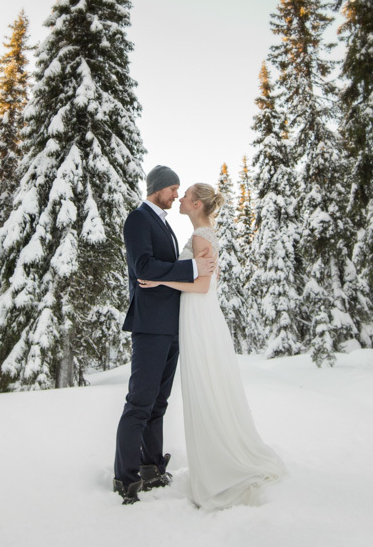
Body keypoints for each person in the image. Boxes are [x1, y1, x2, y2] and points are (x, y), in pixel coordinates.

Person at [137, 182, 286, 510]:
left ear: (198, 204)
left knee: (206, 386)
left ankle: (222, 466)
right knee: (206, 386)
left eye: (186, 195)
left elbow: (202, 286)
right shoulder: (200, 233)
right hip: (194, 316)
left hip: (200, 317)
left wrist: (161, 280)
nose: (181, 199)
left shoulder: (202, 235)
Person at [113, 165, 217, 504]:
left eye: (178, 190)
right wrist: (191, 268)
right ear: (158, 188)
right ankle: (125, 478)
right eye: (173, 188)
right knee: (139, 404)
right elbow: (142, 267)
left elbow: (163, 271)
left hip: (171, 326)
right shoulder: (138, 219)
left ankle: (152, 467)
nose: (176, 194)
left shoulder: (164, 223)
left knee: (158, 403)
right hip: (150, 326)